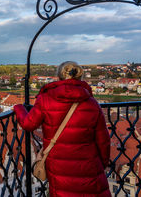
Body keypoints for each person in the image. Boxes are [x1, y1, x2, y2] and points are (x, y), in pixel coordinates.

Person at [14, 61, 111, 197]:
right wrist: (103, 163)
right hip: (89, 165)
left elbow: (28, 124)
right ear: (79, 77)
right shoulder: (91, 103)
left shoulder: (45, 99)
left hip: (59, 167)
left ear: (59, 77)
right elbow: (103, 140)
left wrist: (18, 108)